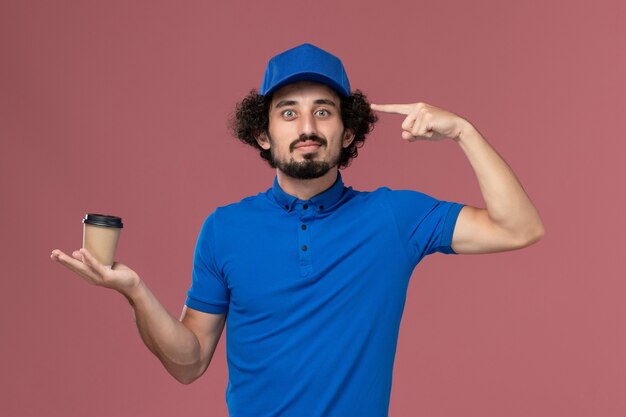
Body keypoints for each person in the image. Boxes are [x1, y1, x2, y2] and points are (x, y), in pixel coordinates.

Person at [51, 43, 544, 417]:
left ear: (346, 133)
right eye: (288, 112)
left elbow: (518, 227)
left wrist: (463, 131)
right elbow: (190, 362)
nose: (306, 126)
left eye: (322, 111)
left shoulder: (396, 217)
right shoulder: (224, 228)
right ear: (263, 134)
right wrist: (135, 292)